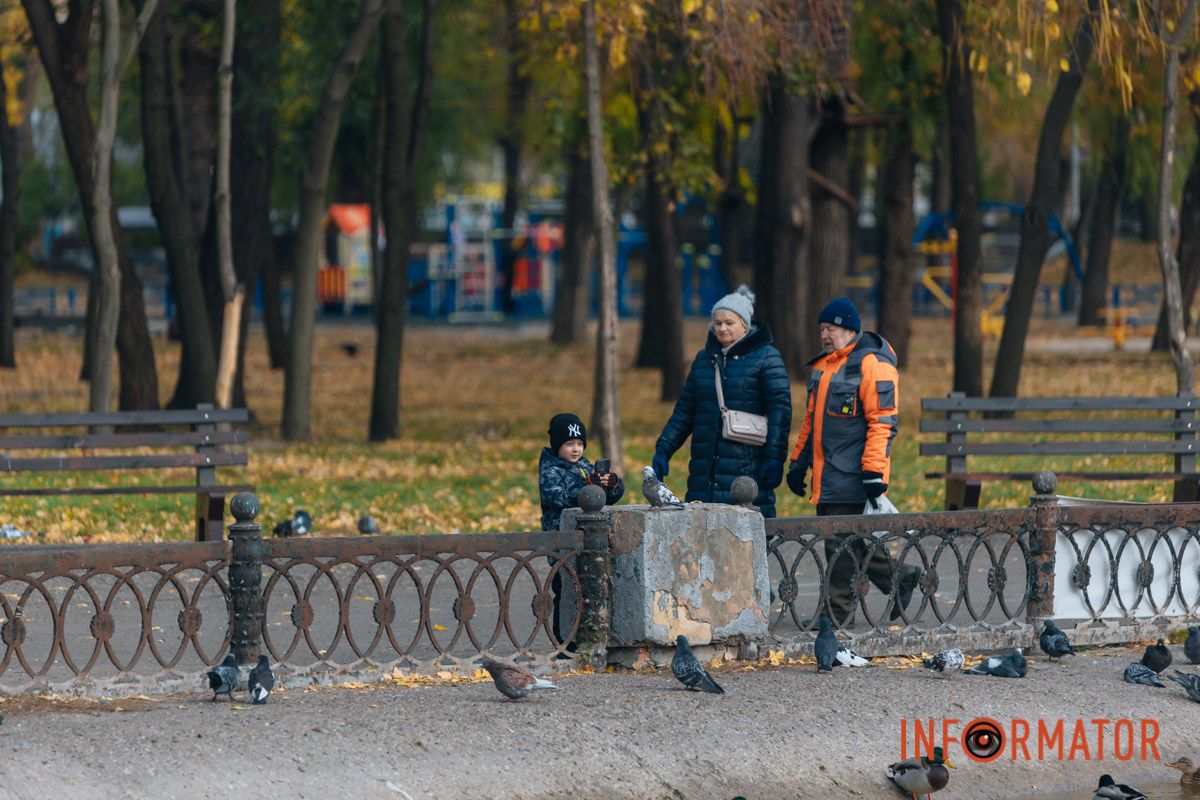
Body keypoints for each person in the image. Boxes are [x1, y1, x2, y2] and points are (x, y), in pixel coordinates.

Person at [785, 296, 920, 626]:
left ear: (849, 329)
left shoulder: (872, 364)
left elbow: (882, 421)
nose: (824, 335)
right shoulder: (824, 365)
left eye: (830, 328)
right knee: (851, 541)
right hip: (828, 473)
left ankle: (836, 614)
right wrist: (798, 463)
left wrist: (874, 472)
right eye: (821, 329)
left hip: (853, 474)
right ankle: (900, 576)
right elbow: (810, 422)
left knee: (839, 545)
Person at [653, 285, 792, 517]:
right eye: (717, 323)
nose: (722, 328)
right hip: (704, 472)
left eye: (729, 322)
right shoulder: (703, 360)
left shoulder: (767, 359)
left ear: (745, 325)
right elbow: (684, 413)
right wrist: (663, 449)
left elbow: (780, 412)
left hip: (748, 468)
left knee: (747, 542)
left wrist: (774, 458)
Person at [539, 412, 624, 651]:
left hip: (589, 542)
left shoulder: (585, 467)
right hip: (561, 543)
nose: (575, 449)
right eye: (569, 444)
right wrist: (586, 487)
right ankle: (564, 643)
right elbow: (557, 497)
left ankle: (588, 638)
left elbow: (605, 498)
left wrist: (613, 485)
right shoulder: (550, 470)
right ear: (557, 445)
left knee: (588, 592)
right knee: (565, 593)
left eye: (579, 444)